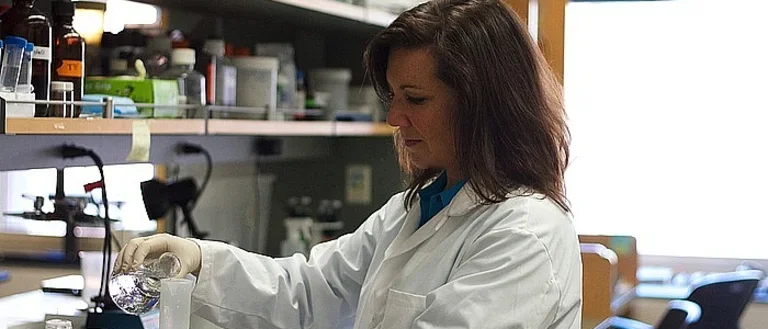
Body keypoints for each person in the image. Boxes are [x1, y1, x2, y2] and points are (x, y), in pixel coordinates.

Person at [114, 0, 582, 328]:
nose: (395, 118)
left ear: (483, 103)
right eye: (393, 97)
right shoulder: (417, 209)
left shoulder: (524, 233)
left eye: (415, 99)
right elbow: (311, 292)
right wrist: (199, 261)